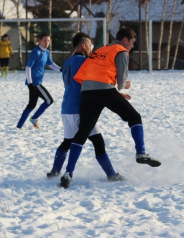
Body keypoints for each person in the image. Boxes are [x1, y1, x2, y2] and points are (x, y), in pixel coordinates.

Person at [60, 26, 161, 189]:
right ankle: (141, 152)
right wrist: (119, 86)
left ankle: (68, 173)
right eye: (133, 43)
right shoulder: (120, 50)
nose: (132, 46)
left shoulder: (100, 50)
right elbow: (121, 82)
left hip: (87, 91)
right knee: (135, 117)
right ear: (125, 40)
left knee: (82, 133)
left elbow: (86, 75)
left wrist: (107, 88)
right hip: (104, 90)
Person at [47, 32, 123, 186]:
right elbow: (95, 81)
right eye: (90, 45)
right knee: (98, 141)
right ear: (83, 46)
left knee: (68, 141)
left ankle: (55, 171)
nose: (91, 48)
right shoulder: (84, 61)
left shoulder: (68, 62)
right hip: (79, 108)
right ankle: (111, 175)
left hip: (67, 107)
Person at [16, 33, 61, 129]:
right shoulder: (36, 52)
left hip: (36, 83)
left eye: (48, 40)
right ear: (40, 41)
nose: (47, 42)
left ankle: (19, 125)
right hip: (35, 83)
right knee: (49, 100)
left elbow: (51, 64)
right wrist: (30, 83)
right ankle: (33, 118)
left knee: (31, 104)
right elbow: (28, 67)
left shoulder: (47, 52)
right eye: (45, 40)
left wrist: (60, 69)